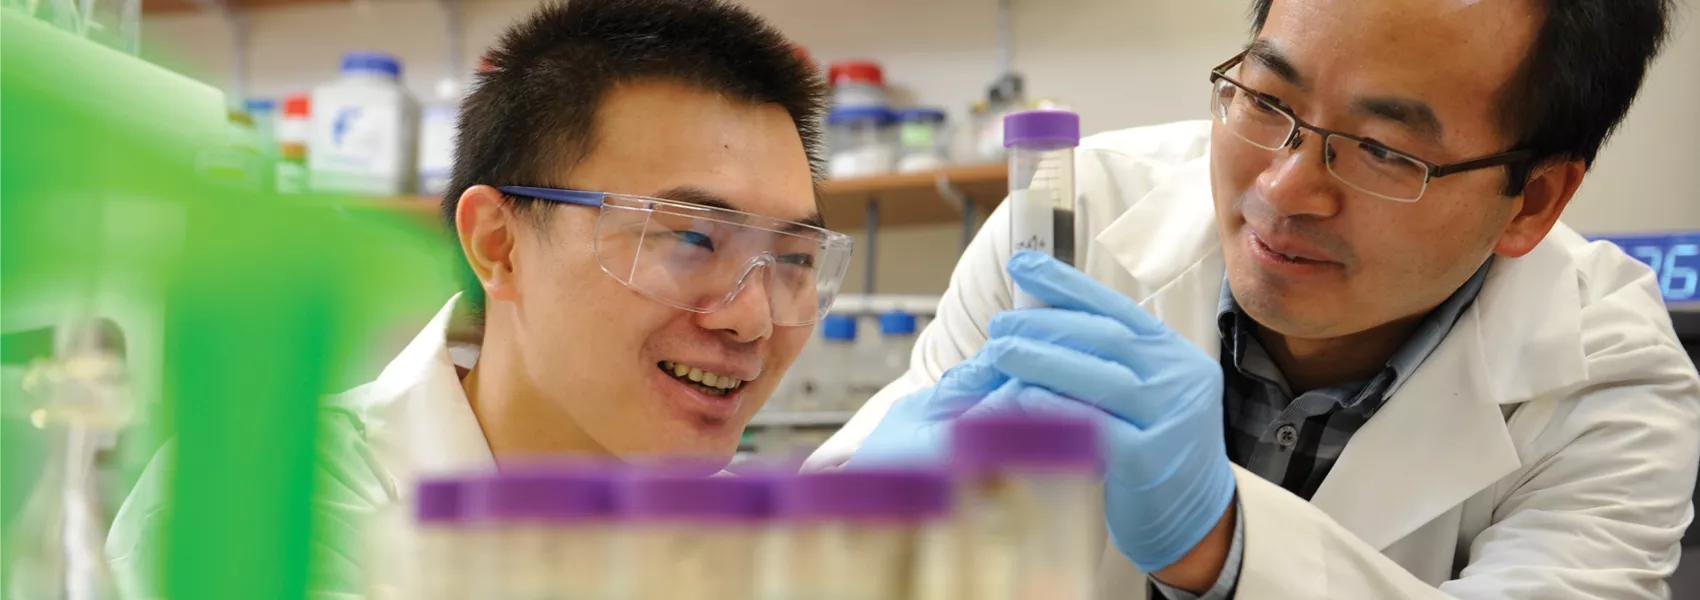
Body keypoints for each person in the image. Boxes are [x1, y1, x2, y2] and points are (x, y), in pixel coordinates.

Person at [809, 0, 1699, 597]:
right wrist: (869, 519)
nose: (1283, 189)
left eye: (1387, 151)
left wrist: (1225, 545)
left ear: (1534, 199)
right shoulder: (1065, 220)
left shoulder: (1610, 379)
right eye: (1267, 99)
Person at [107, 0, 843, 596]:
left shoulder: (769, 548)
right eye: (688, 238)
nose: (753, 318)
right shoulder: (266, 508)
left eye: (792, 257)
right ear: (499, 242)